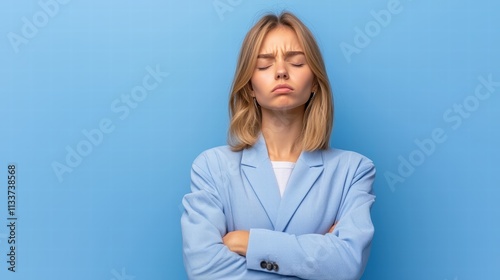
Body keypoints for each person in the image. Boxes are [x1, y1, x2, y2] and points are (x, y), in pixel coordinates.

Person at [181, 11, 375, 280]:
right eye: (264, 65)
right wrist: (316, 261)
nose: (281, 72)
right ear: (249, 86)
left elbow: (346, 266)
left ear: (315, 82)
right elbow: (204, 269)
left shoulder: (354, 170)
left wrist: (249, 243)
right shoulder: (211, 167)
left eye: (296, 62)